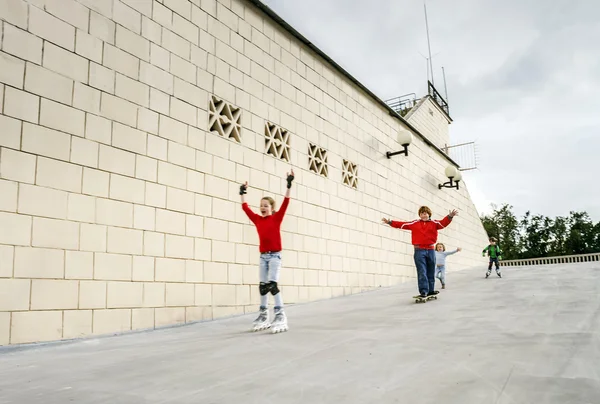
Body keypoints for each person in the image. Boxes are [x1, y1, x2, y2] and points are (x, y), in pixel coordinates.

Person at [241, 170, 294, 333]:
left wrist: (289, 184)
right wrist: (242, 193)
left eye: (266, 206)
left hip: (275, 256)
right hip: (263, 257)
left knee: (272, 284)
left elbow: (286, 202)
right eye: (261, 205)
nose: (263, 208)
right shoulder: (257, 220)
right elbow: (245, 208)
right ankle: (263, 315)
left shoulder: (276, 218)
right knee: (263, 286)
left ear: (271, 208)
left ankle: (280, 315)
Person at [382, 206, 459, 299]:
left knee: (431, 271)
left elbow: (443, 223)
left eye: (425, 213)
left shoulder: (434, 223)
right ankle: (424, 291)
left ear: (429, 214)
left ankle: (431, 290)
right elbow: (403, 224)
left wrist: (450, 216)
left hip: (431, 250)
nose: (424, 214)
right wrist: (390, 222)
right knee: (422, 271)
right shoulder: (415, 223)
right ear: (420, 215)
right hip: (419, 250)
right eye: (422, 213)